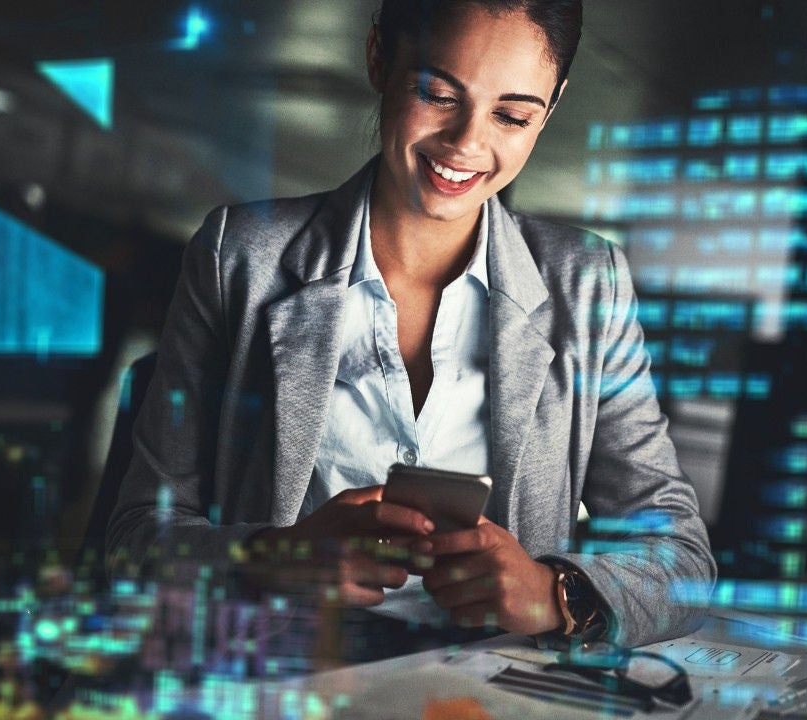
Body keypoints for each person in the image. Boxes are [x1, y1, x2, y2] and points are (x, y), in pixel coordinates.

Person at [107, 0, 715, 655]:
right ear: (378, 59)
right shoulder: (243, 256)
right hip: (285, 679)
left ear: (553, 105)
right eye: (437, 93)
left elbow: (680, 557)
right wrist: (276, 560)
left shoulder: (587, 283)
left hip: (491, 692)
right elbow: (137, 537)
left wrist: (551, 594)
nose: (465, 145)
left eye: (512, 115)